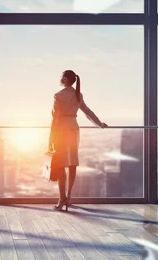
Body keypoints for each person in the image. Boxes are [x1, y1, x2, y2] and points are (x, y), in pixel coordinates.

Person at [48, 70, 108, 211]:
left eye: (61, 76)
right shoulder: (77, 95)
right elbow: (87, 112)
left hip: (61, 130)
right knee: (72, 163)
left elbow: (55, 118)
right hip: (74, 129)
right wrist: (99, 124)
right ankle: (69, 197)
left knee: (61, 164)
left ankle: (61, 198)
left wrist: (51, 136)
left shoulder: (58, 95)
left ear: (65, 79)